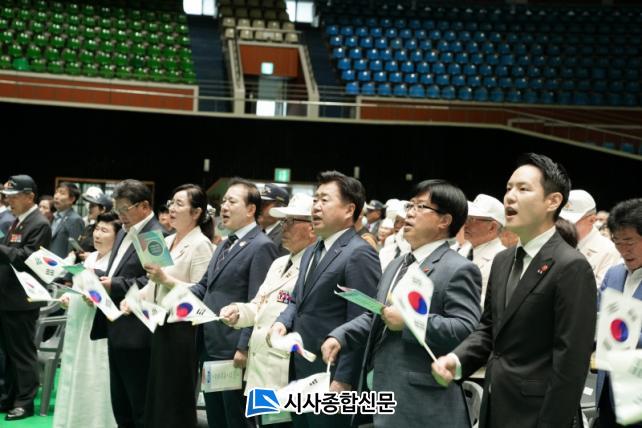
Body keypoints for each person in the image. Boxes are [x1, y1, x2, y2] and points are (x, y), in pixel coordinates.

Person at [431, 153, 597, 428]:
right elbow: (489, 329)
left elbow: (571, 362)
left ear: (553, 201)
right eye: (508, 188)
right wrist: (457, 359)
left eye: (523, 189)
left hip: (537, 414)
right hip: (495, 405)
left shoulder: (571, 266)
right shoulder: (503, 260)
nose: (510, 197)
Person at [322, 179, 482, 428]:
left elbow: (465, 330)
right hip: (380, 393)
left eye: (421, 206)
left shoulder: (458, 268)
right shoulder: (397, 264)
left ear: (444, 220)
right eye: (410, 205)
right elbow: (381, 314)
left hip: (422, 405)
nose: (410, 213)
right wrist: (342, 336)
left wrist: (408, 322)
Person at [271, 171, 381, 428]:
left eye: (324, 200)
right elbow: (297, 300)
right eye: (315, 199)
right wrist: (283, 321)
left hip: (331, 376)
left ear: (349, 209)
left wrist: (344, 379)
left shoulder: (359, 253)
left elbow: (363, 320)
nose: (316, 206)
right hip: (300, 370)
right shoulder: (312, 250)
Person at [189, 178, 278, 428]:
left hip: (233, 350)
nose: (224, 207)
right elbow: (204, 286)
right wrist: (170, 292)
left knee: (236, 419)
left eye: (232, 201)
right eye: (223, 201)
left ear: (251, 209)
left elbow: (258, 302)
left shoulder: (262, 246)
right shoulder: (225, 243)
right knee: (216, 417)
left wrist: (244, 347)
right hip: (211, 345)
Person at [219, 194, 316, 426]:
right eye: (283, 221)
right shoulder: (278, 263)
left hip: (284, 370)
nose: (284, 227)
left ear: (312, 228)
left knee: (280, 425)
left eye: (291, 221)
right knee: (261, 423)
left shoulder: (314, 267)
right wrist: (238, 311)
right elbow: (259, 304)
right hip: (260, 366)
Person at [132, 184, 215, 428]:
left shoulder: (201, 244)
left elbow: (201, 291)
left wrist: (166, 279)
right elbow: (153, 283)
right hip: (158, 323)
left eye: (179, 204)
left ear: (196, 212)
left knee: (175, 395)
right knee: (157, 392)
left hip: (183, 329)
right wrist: (133, 299)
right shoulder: (165, 240)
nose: (172, 208)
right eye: (171, 203)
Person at [90, 179, 163, 428]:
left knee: (139, 405)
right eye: (117, 209)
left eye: (125, 209)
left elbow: (155, 282)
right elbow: (120, 270)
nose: (120, 215)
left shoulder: (153, 234)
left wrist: (115, 284)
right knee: (120, 405)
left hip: (138, 331)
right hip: (116, 325)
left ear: (144, 206)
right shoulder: (123, 231)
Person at [53, 212, 121, 428]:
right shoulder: (90, 258)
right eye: (97, 229)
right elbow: (78, 287)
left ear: (118, 236)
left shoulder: (116, 263)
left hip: (98, 328)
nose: (97, 235)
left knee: (96, 374)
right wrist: (68, 297)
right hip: (78, 324)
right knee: (75, 372)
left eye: (105, 230)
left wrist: (95, 299)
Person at [0, 175, 52, 421]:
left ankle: (25, 402)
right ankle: (9, 397)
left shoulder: (39, 223)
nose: (8, 201)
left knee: (22, 352)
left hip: (22, 299)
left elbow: (29, 258)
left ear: (29, 196)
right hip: (8, 297)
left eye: (13, 196)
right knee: (9, 352)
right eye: (7, 196)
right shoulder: (18, 221)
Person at [595, 198, 642, 428]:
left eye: (629, 242)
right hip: (607, 390)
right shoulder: (613, 274)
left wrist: (620, 334)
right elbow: (597, 321)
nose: (623, 250)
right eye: (617, 242)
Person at [560, 189, 621, 286]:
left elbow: (601, 291)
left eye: (571, 222)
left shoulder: (609, 250)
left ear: (592, 220)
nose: (564, 225)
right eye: (561, 220)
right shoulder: (555, 241)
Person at [463, 194, 506, 307]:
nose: (465, 224)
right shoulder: (464, 249)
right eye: (467, 218)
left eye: (472, 219)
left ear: (492, 227)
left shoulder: (501, 259)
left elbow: (487, 304)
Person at [50, 183, 85, 258]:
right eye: (56, 192)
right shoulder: (52, 216)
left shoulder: (75, 220)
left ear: (71, 199)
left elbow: (73, 250)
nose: (56, 196)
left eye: (62, 193)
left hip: (61, 263)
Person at [259, 183, 290, 256]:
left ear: (280, 208)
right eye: (258, 204)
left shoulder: (285, 236)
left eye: (264, 204)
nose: (259, 208)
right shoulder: (256, 230)